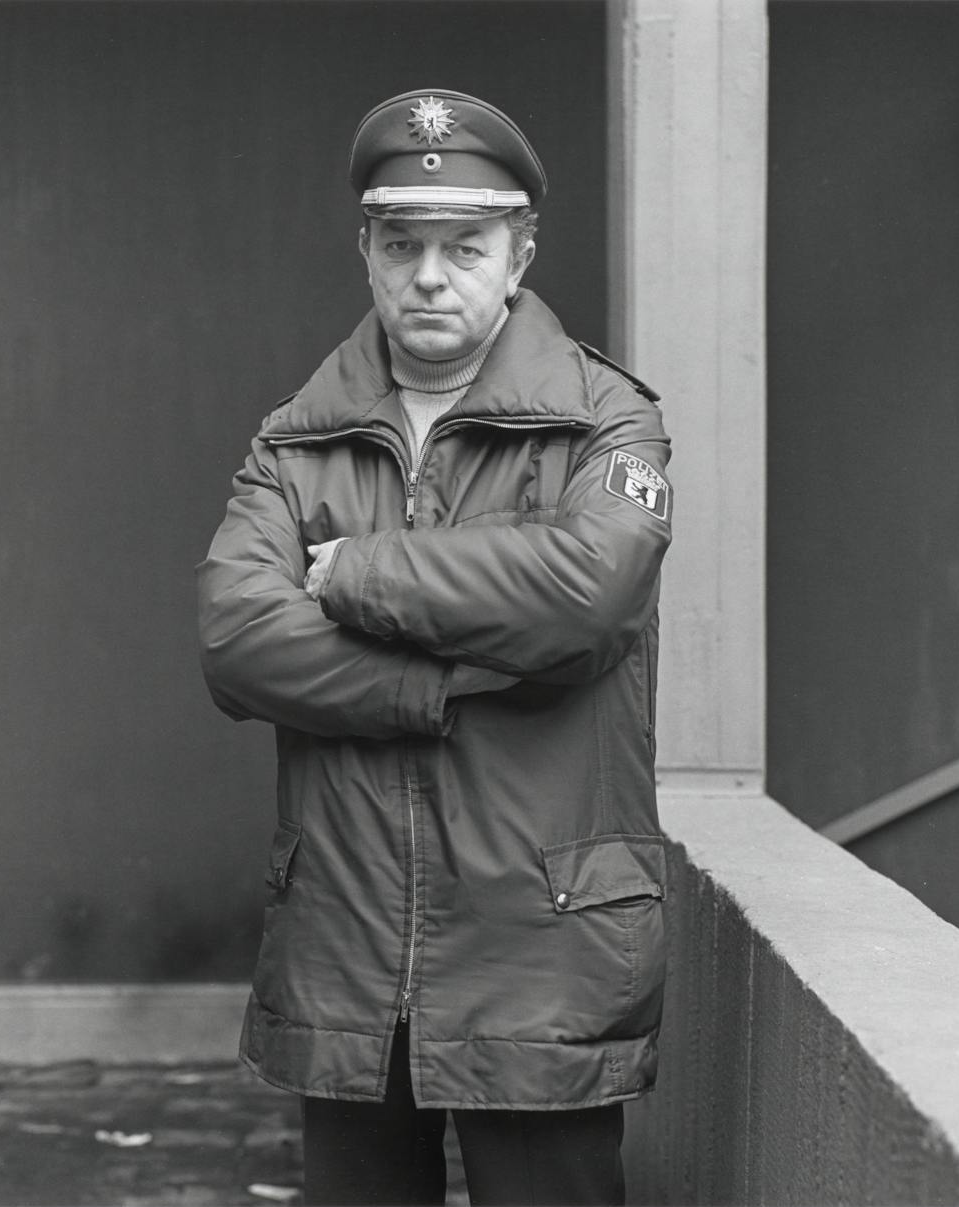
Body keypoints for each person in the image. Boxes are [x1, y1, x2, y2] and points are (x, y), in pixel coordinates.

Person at [197, 89, 673, 1206]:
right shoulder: (294, 440)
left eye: (465, 246)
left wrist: (354, 574)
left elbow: (586, 594)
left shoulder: (605, 421)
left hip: (541, 943)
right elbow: (238, 640)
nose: (429, 275)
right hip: (346, 940)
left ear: (519, 257)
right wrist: (461, 670)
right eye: (402, 244)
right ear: (366, 252)